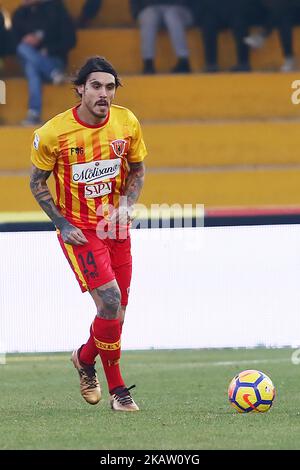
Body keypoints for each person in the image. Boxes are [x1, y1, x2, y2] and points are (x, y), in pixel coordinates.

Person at [29, 56, 146, 411]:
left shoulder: (127, 122)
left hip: (116, 227)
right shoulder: (53, 133)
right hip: (81, 231)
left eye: (110, 87)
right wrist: (62, 225)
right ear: (80, 88)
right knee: (109, 302)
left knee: (118, 311)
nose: (104, 94)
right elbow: (37, 182)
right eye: (96, 86)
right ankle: (119, 392)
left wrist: (127, 204)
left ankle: (83, 358)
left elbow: (138, 169)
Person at [12, 0, 76, 126]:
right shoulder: (19, 14)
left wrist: (47, 50)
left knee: (31, 66)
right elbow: (11, 44)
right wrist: (26, 40)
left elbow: (70, 40)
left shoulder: (56, 9)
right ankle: (53, 72)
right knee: (24, 50)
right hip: (31, 61)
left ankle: (34, 113)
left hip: (54, 58)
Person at [130, 0, 194, 74]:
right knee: (149, 17)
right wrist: (136, 12)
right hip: (149, 7)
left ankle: (183, 60)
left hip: (181, 8)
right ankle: (148, 63)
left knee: (172, 15)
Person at [193, 0, 257, 72]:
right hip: (213, 10)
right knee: (208, 24)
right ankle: (211, 63)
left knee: (240, 24)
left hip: (236, 10)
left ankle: (243, 62)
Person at [244, 0, 300, 72]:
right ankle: (289, 58)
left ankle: (262, 35)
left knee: (282, 7)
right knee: (284, 18)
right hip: (287, 11)